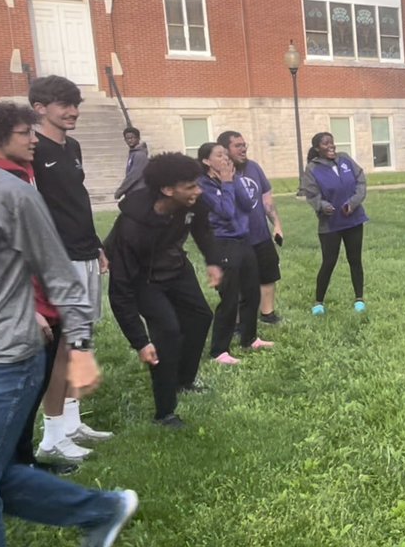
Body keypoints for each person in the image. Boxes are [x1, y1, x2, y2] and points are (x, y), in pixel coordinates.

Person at [0, 101, 139, 547]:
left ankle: (99, 507)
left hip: (4, 359)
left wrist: (81, 353)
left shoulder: (12, 193)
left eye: (33, 130)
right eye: (22, 132)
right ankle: (101, 508)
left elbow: (59, 275)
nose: (33, 139)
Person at [0, 103, 78, 475]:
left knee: (27, 392)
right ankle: (17, 466)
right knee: (17, 393)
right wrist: (32, 308)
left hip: (32, 299)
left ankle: (21, 461)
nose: (33, 140)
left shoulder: (20, 176)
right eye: (25, 133)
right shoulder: (2, 187)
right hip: (14, 315)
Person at [104, 153, 225, 428]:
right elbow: (120, 290)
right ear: (168, 190)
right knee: (167, 332)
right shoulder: (132, 227)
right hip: (143, 279)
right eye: (191, 186)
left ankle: (183, 380)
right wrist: (140, 341)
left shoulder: (193, 202)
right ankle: (165, 412)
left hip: (175, 266)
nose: (199, 190)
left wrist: (214, 262)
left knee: (200, 316)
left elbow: (203, 231)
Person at [28, 75, 113, 460]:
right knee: (62, 346)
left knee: (81, 340)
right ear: (39, 108)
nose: (73, 111)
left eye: (75, 103)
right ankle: (51, 437)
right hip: (57, 260)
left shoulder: (73, 145)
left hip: (84, 252)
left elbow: (76, 200)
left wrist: (96, 246)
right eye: (64, 104)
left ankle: (72, 421)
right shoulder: (31, 150)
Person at [196, 143, 272, 365]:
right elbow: (226, 212)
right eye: (219, 155)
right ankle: (219, 350)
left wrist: (233, 179)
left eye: (225, 155)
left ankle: (249, 338)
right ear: (206, 162)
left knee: (252, 292)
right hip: (222, 242)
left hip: (243, 239)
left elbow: (248, 204)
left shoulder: (231, 177)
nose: (225, 159)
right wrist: (227, 182)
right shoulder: (203, 186)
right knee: (229, 297)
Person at [217, 130, 283, 325]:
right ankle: (236, 321)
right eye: (238, 145)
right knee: (234, 281)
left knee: (268, 273)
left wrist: (277, 225)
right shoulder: (218, 174)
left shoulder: (254, 167)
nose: (243, 148)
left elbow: (267, 201)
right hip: (234, 239)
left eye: (244, 145)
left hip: (260, 234)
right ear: (225, 149)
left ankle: (267, 314)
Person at [300, 132, 369, 315]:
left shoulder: (345, 159)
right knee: (329, 261)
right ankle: (319, 302)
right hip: (330, 224)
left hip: (353, 219)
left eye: (332, 142)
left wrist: (353, 203)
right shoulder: (312, 169)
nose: (331, 146)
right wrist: (323, 206)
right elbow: (311, 194)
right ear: (317, 148)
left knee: (355, 260)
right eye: (325, 144)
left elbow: (361, 182)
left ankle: (359, 299)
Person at [114, 127, 149, 200]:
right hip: (133, 192)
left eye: (132, 138)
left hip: (140, 192)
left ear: (138, 138)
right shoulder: (133, 153)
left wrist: (121, 190)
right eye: (127, 138)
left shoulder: (140, 155)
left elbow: (134, 175)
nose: (130, 140)